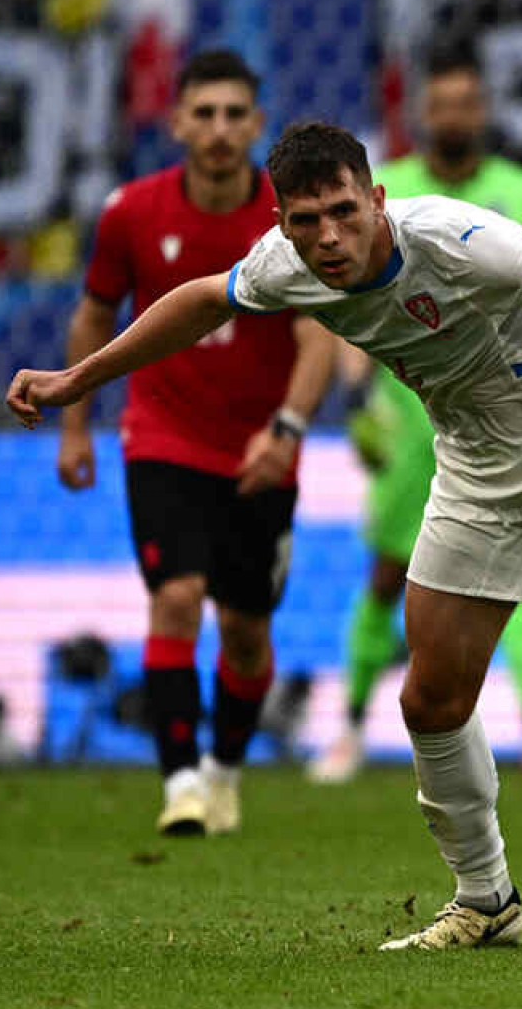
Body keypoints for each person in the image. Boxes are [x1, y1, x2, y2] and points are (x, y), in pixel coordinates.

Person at [10, 123, 522, 951]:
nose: (328, 237)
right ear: (281, 224)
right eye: (305, 221)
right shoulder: (284, 266)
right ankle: (485, 899)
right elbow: (198, 302)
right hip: (475, 458)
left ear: (377, 199)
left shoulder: (461, 241)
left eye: (343, 211)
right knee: (431, 698)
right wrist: (79, 380)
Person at [58, 49, 336, 837]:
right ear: (177, 122)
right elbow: (95, 315)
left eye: (234, 114)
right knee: (175, 598)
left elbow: (317, 333)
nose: (218, 129)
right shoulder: (130, 213)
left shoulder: (289, 221)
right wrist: (75, 424)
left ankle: (223, 773)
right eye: (203, 113)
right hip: (162, 434)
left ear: (257, 124)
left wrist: (288, 429)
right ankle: (179, 782)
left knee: (245, 632)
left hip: (261, 447)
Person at [310, 46, 522, 784]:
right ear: (421, 112)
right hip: (409, 417)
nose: (453, 117)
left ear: (484, 111)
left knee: (520, 566)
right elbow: (347, 302)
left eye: (466, 104)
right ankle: (348, 730)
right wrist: (355, 399)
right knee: (389, 572)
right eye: (441, 105)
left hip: (507, 416)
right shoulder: (386, 191)